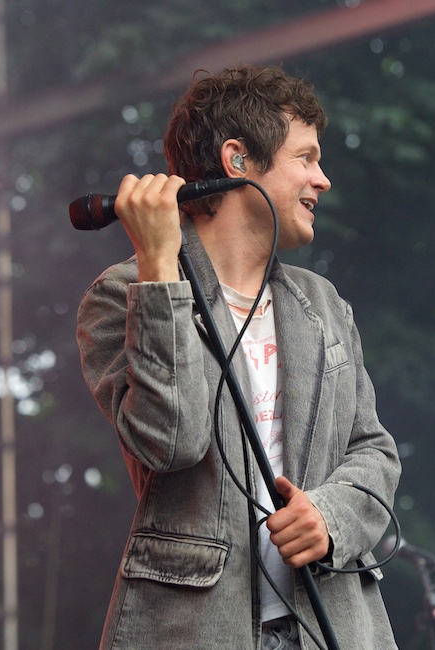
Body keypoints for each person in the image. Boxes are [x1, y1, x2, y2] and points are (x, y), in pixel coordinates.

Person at [76, 64, 400, 649]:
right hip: (198, 630)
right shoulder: (121, 296)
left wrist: (328, 515)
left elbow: (373, 450)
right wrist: (158, 271)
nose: (322, 179)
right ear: (237, 160)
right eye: (306, 157)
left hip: (333, 626)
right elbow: (172, 441)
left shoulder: (322, 305)